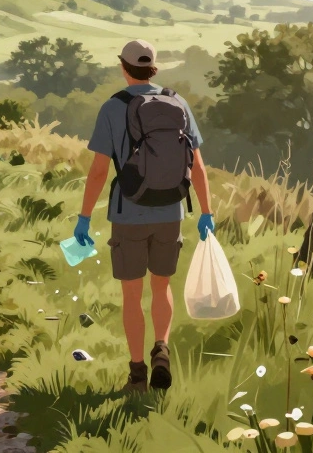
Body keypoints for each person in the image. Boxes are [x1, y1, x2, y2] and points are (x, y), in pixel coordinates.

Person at [77, 39, 214, 394]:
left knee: (132, 295)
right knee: (162, 285)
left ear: (123, 67)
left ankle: (137, 376)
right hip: (171, 210)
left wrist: (84, 217)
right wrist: (206, 212)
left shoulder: (113, 108)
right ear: (154, 67)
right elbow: (196, 165)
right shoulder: (177, 102)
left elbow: (97, 172)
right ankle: (162, 349)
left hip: (129, 214)